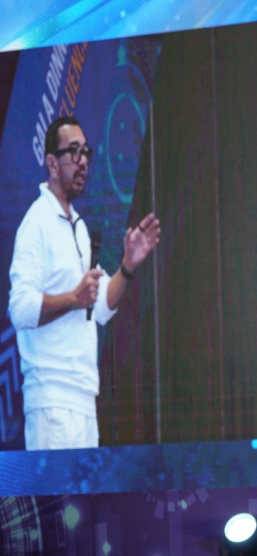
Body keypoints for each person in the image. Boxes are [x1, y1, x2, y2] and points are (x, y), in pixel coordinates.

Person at [8, 116, 161, 451]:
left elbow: (101, 306)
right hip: (51, 401)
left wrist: (127, 266)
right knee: (58, 490)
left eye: (86, 153)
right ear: (51, 163)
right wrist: (72, 299)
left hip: (83, 399)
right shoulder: (36, 223)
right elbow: (19, 309)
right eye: (73, 152)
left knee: (85, 489)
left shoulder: (77, 226)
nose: (83, 162)